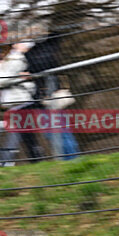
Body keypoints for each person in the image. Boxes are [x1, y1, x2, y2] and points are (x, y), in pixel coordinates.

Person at [24, 28, 79, 160]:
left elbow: (43, 64)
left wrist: (25, 54)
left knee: (60, 132)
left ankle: (72, 160)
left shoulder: (45, 47)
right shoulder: (34, 50)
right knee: (51, 133)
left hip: (49, 96)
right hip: (39, 99)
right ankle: (66, 160)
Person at [0, 43, 46, 161]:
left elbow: (7, 76)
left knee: (29, 133)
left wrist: (16, 56)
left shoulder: (16, 59)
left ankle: (37, 157)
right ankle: (36, 158)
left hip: (24, 100)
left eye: (0, 54)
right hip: (15, 104)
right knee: (26, 135)